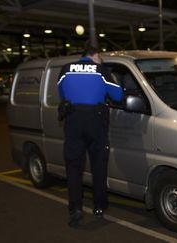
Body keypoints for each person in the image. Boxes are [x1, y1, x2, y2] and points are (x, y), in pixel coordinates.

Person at [57, 43, 124, 227]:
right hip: (96, 121)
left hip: (73, 121)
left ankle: (75, 209)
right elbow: (118, 96)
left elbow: (62, 94)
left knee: (73, 167)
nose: (100, 60)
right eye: (100, 57)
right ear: (94, 56)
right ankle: (99, 207)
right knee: (98, 165)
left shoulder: (65, 70)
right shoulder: (100, 70)